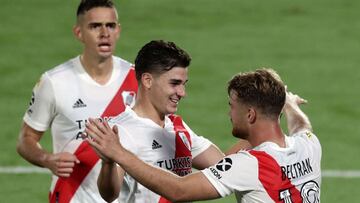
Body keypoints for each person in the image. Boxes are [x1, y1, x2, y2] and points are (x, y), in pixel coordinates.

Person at [87, 68, 322, 203]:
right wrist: (290, 105)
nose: (229, 113)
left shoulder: (250, 165)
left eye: (232, 106)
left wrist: (118, 152)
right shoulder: (310, 145)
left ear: (250, 115)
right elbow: (302, 126)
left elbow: (178, 190)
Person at [16, 0, 138, 202]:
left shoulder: (137, 79)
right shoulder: (54, 82)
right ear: (79, 33)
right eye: (95, 26)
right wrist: (47, 159)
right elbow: (25, 140)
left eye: (110, 25)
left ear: (118, 30)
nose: (104, 33)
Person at [86, 40, 226, 202]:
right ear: (147, 81)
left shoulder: (178, 126)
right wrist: (108, 163)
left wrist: (256, 137)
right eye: (174, 83)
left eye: (183, 84)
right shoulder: (121, 129)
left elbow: (224, 166)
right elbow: (109, 194)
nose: (182, 93)